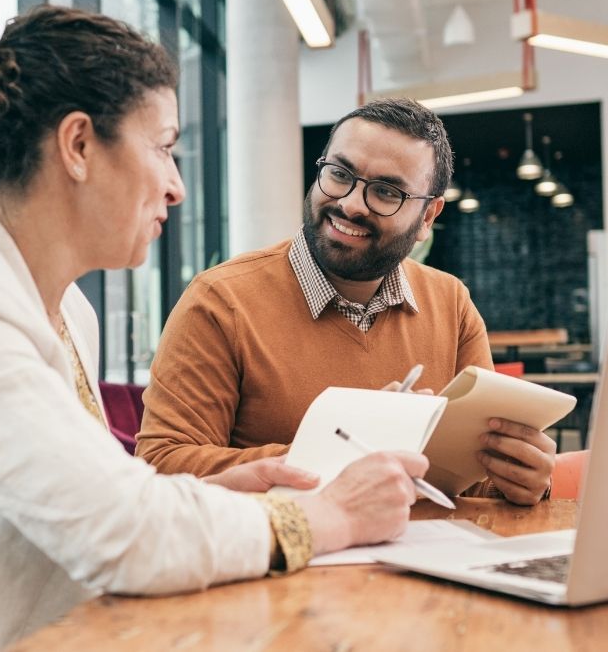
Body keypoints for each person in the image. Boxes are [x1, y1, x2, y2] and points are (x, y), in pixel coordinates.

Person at [0, 7, 428, 652]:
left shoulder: (67, 307)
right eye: (162, 147)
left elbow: (75, 501)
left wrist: (211, 493)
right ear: (78, 146)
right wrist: (327, 515)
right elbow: (122, 538)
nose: (177, 186)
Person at [135, 98, 556, 505]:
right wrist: (344, 449)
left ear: (427, 217)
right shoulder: (219, 301)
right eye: (339, 173)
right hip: (289, 567)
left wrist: (520, 478)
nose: (350, 204)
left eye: (387, 192)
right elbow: (161, 466)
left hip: (427, 562)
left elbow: (469, 481)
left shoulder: (451, 304)